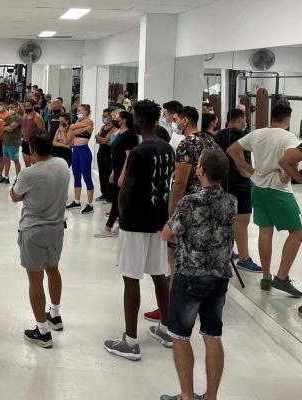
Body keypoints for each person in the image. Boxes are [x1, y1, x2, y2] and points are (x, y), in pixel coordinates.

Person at [160, 149, 236, 400]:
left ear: (200, 170)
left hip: (190, 276)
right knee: (213, 335)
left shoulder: (190, 202)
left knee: (180, 337)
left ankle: (186, 396)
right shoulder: (231, 201)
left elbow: (168, 233)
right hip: (219, 277)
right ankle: (211, 395)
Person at [103, 100, 175, 362]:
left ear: (140, 120)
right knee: (159, 275)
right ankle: (166, 329)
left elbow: (126, 189)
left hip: (135, 223)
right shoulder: (167, 149)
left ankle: (131, 341)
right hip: (158, 221)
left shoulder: (139, 152)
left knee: (131, 277)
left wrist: (122, 215)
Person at [145, 106, 218, 322]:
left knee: (175, 260)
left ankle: (173, 308)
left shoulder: (187, 144)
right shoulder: (209, 140)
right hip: (209, 204)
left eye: (176, 118)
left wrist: (172, 214)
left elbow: (180, 182)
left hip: (189, 208)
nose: (174, 122)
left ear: (185, 120)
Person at [228, 103, 302, 297]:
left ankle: (266, 277)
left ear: (272, 116)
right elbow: (289, 160)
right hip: (278, 191)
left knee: (265, 231)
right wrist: (287, 175)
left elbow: (232, 150)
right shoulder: (289, 137)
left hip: (258, 189)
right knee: (297, 233)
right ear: (287, 119)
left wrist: (247, 169)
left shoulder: (257, 134)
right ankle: (282, 278)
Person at [10, 129, 70, 348]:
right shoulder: (62, 164)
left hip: (33, 231)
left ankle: (42, 332)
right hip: (57, 228)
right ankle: (55, 314)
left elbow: (15, 196)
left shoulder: (28, 174)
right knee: (53, 270)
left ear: (32, 149)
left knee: (35, 280)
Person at [215, 108, 261, 272]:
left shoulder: (218, 135)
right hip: (239, 184)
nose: (245, 122)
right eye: (244, 119)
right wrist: (253, 175)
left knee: (226, 220)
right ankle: (244, 259)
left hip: (221, 183)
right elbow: (242, 164)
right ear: (240, 118)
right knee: (242, 221)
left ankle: (227, 251)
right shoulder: (240, 136)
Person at [95, 110, 138, 237]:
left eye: (116, 117)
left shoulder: (130, 135)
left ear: (123, 120)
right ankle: (119, 226)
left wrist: (122, 175)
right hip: (117, 170)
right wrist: (113, 171)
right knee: (117, 199)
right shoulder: (120, 133)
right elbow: (115, 154)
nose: (114, 119)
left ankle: (108, 228)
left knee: (117, 200)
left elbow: (128, 157)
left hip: (123, 173)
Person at [65, 104, 95, 214]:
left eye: (80, 110)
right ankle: (77, 201)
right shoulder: (79, 122)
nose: (78, 112)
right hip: (76, 152)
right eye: (77, 111)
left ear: (86, 112)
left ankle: (90, 204)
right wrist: (83, 129)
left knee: (87, 177)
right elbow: (71, 132)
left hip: (84, 151)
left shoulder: (89, 122)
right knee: (76, 176)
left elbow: (72, 129)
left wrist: (75, 128)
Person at [95, 108, 116, 202]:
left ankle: (110, 195)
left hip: (108, 154)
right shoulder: (102, 127)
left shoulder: (114, 128)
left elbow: (105, 140)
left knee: (108, 174)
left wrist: (100, 138)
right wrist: (102, 140)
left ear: (111, 117)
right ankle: (104, 193)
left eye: (105, 116)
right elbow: (98, 141)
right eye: (102, 116)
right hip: (101, 153)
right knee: (102, 174)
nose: (103, 118)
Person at [0, 101, 23, 184]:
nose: (10, 109)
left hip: (14, 143)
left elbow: (11, 129)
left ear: (17, 107)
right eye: (9, 108)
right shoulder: (8, 117)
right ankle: (6, 177)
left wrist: (5, 127)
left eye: (12, 107)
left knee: (15, 160)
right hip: (5, 142)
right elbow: (1, 127)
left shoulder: (18, 118)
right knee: (6, 160)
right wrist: (6, 127)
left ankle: (18, 178)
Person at [22, 100, 45, 167]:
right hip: (25, 142)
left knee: (36, 164)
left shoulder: (37, 117)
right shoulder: (24, 116)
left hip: (34, 143)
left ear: (32, 106)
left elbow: (42, 132)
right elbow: (24, 129)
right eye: (25, 106)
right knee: (27, 163)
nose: (26, 108)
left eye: (28, 106)